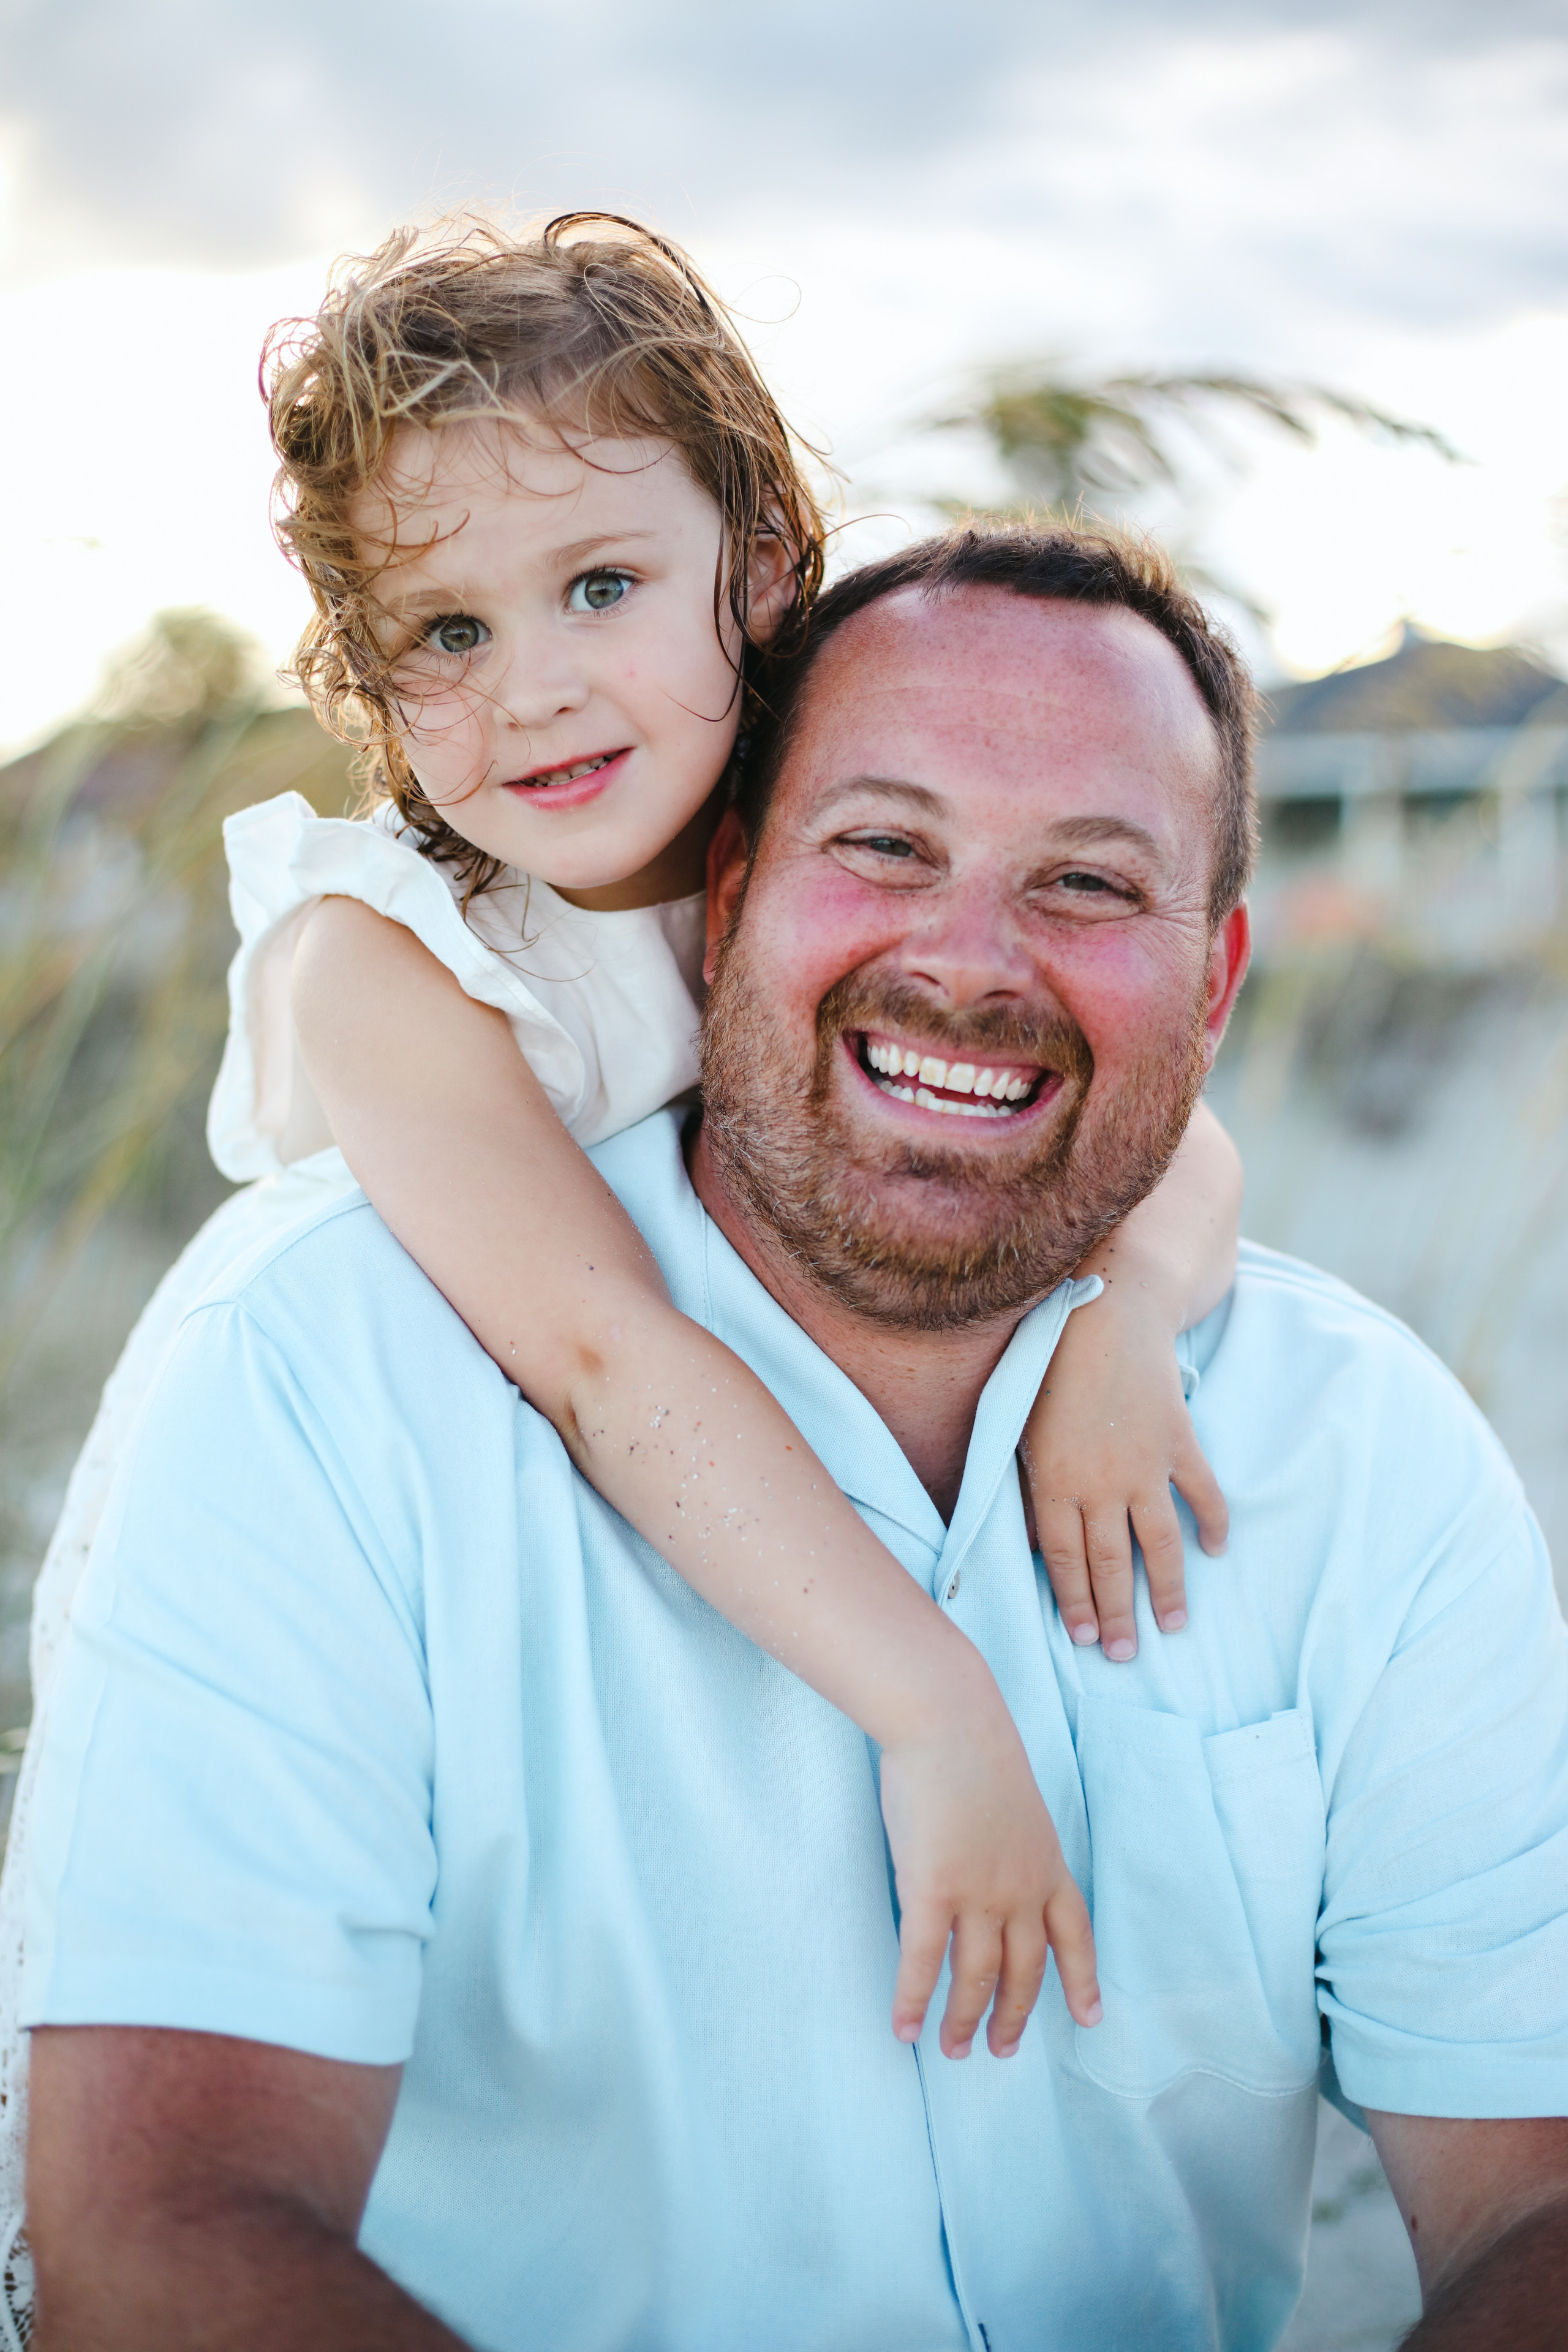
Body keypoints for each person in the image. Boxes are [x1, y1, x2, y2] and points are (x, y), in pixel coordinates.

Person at [24, 522, 1568, 2350]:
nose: (968, 964)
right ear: (732, 890)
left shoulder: (1359, 1448)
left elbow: (1536, 2196)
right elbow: (164, 2231)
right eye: (886, 846)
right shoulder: (329, 1365)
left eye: (1086, 884)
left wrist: (1134, 1309)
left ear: (1216, 986)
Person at [0, 217, 1242, 2275]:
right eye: (446, 631)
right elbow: (598, 1353)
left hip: (719, 1549)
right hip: (441, 1564)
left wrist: (1121, 1318)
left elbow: (1162, 1123)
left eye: (598, 587)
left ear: (759, 570)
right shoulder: (385, 960)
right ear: (368, 675)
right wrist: (938, 1708)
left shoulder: (816, 866)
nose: (534, 688)